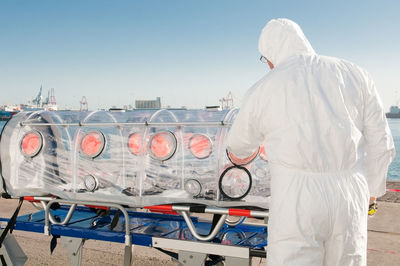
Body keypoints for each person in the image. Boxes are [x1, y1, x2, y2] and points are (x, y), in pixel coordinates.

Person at [226, 18, 395, 266]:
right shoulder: (356, 73)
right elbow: (381, 141)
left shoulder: (264, 87)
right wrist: (372, 191)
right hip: (350, 192)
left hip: (297, 197)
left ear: (270, 53)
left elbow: (239, 145)